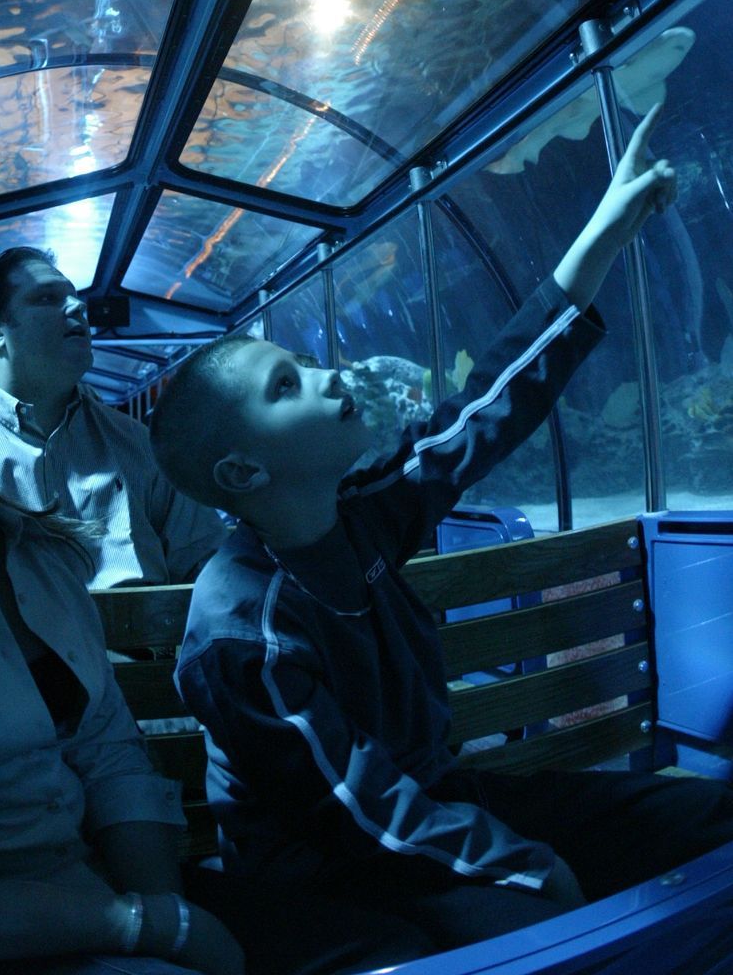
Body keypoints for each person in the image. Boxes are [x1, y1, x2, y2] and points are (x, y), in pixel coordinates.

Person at [0, 281, 432, 975]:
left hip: (92, 886)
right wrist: (142, 928)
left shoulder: (45, 551)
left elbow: (105, 747)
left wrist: (162, 912)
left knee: (394, 952)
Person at [149, 106, 733, 950]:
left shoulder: (365, 514)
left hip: (438, 805)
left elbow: (493, 404)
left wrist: (610, 224)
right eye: (287, 385)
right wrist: (517, 861)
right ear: (245, 474)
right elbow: (348, 805)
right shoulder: (245, 626)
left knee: (701, 814)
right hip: (325, 870)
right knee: (536, 925)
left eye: (307, 362)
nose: (326, 377)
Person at [0, 248, 224, 588]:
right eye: (47, 298)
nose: (79, 307)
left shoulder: (138, 444)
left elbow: (206, 563)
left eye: (74, 297)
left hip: (139, 639)